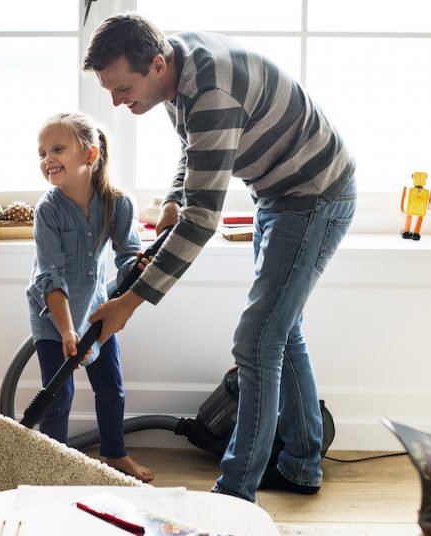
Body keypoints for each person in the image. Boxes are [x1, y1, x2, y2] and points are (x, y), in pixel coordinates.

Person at [83, 13, 358, 502]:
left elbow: (203, 222)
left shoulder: (211, 91)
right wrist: (174, 196)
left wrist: (128, 305)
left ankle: (234, 496)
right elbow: (198, 146)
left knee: (257, 342)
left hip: (314, 197)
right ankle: (300, 464)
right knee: (280, 330)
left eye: (123, 88)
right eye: (109, 90)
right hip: (278, 194)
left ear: (157, 63)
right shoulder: (174, 72)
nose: (117, 102)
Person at [26, 112, 154, 482]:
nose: (47, 159)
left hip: (99, 310)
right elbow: (49, 277)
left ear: (89, 155)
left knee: (110, 387)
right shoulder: (48, 210)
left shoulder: (118, 203)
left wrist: (137, 267)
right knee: (59, 394)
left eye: (57, 149)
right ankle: (56, 463)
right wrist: (67, 331)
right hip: (53, 316)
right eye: (41, 153)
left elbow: (127, 256)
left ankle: (114, 453)